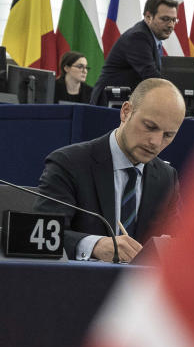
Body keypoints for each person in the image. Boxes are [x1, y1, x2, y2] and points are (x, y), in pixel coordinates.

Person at [35, 78, 185, 262]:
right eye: (149, 126)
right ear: (126, 112)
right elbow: (41, 236)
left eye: (168, 135)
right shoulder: (69, 163)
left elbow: (179, 244)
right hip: (78, 284)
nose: (155, 142)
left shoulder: (166, 178)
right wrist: (94, 245)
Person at [90, 0, 179, 107]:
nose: (171, 25)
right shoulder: (138, 37)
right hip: (110, 103)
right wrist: (177, 96)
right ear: (148, 17)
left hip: (126, 103)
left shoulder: (152, 38)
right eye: (165, 19)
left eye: (174, 20)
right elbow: (151, 76)